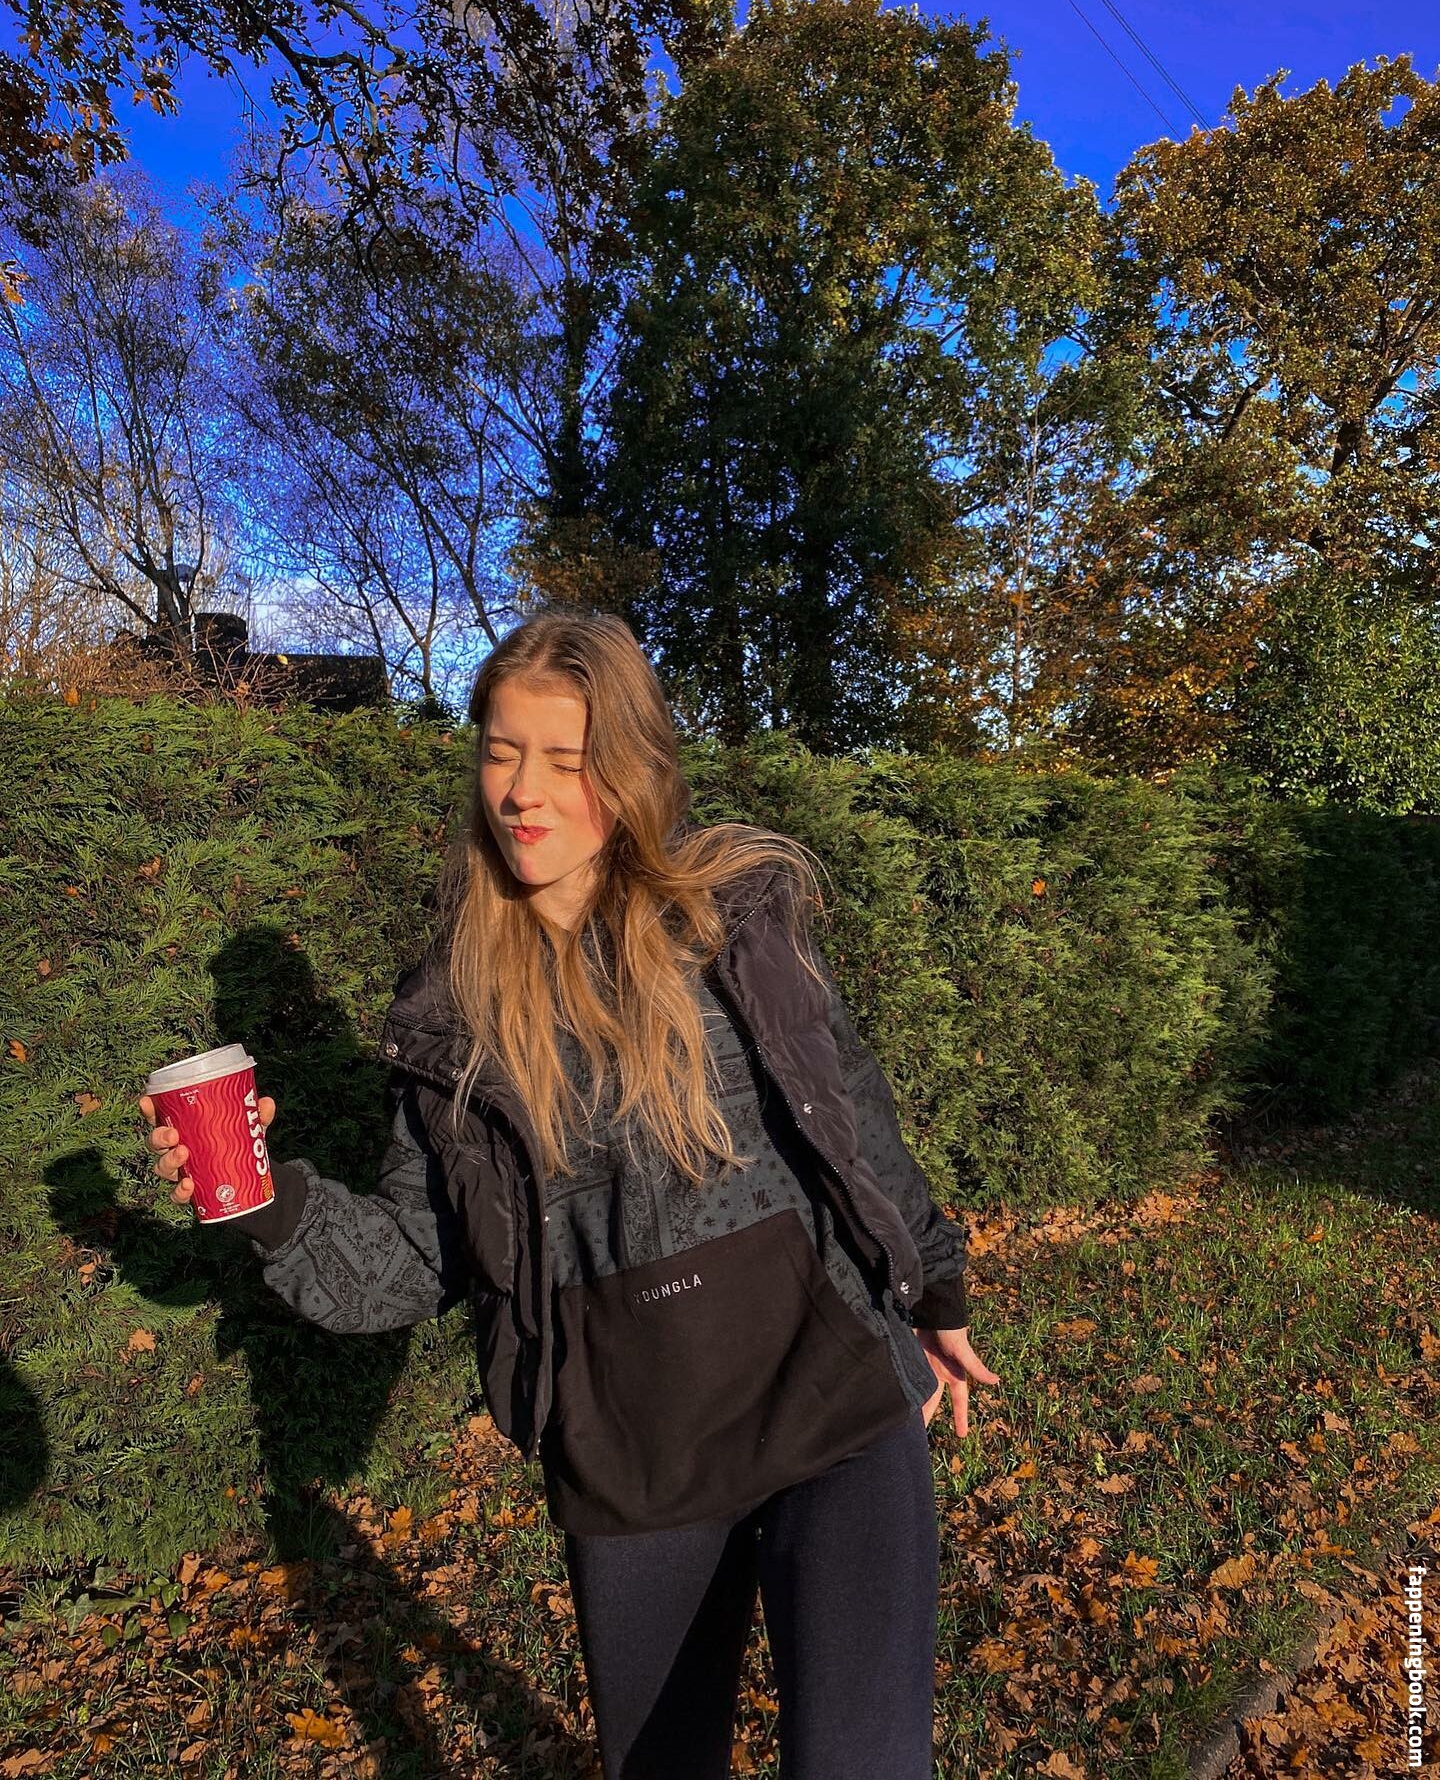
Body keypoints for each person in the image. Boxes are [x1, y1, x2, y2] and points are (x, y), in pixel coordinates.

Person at [139, 607, 1001, 1780]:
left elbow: (848, 1110)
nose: (523, 791)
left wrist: (933, 1282)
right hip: (631, 1461)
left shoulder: (729, 923)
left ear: (630, 770)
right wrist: (266, 1204)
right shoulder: (451, 1016)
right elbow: (413, 1260)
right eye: (502, 751)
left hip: (832, 1407)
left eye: (566, 757)